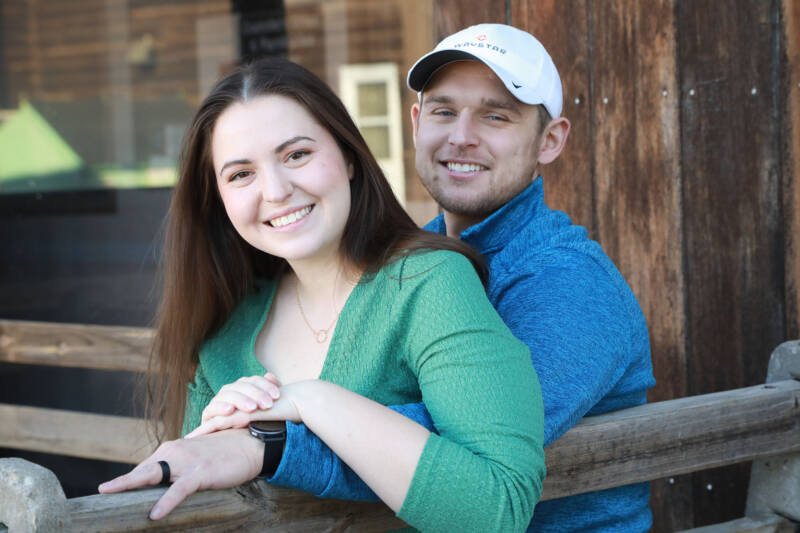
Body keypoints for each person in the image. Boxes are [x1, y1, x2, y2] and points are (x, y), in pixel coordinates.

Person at [205, 24, 655, 532]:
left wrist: (269, 434)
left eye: (495, 115)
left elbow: (466, 450)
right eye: (444, 111)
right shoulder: (409, 265)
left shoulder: (572, 285)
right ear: (417, 123)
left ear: (550, 140)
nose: (461, 136)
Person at [98, 57, 545, 532]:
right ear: (219, 199)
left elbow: (498, 508)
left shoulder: (430, 283)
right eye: (241, 174)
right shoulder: (224, 331)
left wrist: (309, 402)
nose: (275, 190)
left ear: (349, 156)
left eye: (296, 155)